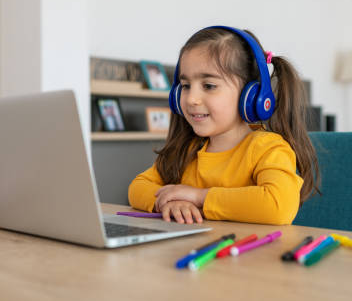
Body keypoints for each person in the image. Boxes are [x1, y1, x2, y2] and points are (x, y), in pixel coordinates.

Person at [128, 26, 319, 225]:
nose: (192, 98)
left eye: (209, 86)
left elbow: (279, 206)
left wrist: (199, 196)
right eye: (185, 86)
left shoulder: (268, 148)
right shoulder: (186, 150)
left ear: (252, 95)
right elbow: (137, 187)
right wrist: (168, 203)